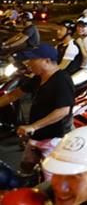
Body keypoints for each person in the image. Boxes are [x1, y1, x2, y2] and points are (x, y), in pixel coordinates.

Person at [0, 44, 75, 177]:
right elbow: (14, 94)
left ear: (46, 61)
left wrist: (33, 126)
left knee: (50, 178)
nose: (28, 63)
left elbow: (63, 111)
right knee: (26, 166)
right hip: (36, 135)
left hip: (53, 138)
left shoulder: (62, 80)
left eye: (32, 60)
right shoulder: (38, 78)